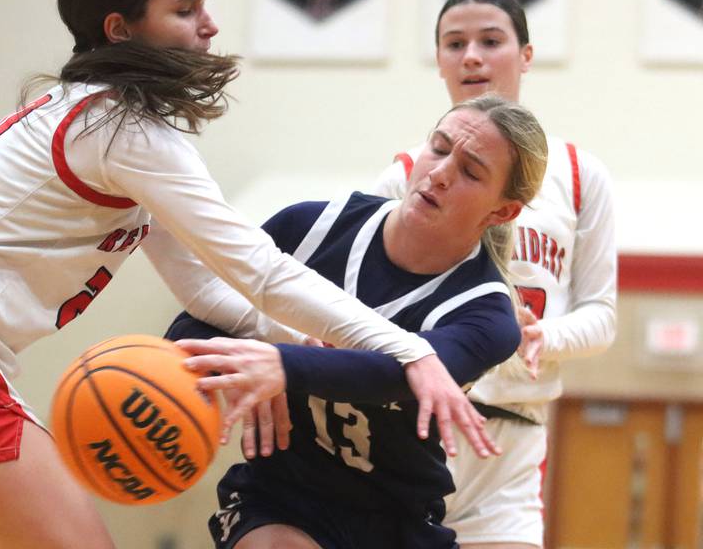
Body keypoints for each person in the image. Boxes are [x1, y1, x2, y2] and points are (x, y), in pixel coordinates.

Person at [0, 0, 490, 547]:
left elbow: (202, 286)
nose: (210, 25)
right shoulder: (121, 129)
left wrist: (286, 339)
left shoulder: (95, 116)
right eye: (185, 10)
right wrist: (408, 350)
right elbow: (257, 268)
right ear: (120, 29)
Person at [167, 94, 549, 549]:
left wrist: (281, 364)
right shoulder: (310, 227)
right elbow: (194, 322)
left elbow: (403, 375)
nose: (441, 173)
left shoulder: (485, 313)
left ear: (501, 211)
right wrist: (240, 363)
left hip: (394, 518)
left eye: (470, 171)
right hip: (280, 497)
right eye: (440, 148)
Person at [371, 0, 617, 549]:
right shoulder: (404, 173)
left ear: (526, 55)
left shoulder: (580, 174)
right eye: (454, 43)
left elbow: (601, 316)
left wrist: (539, 336)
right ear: (439, 61)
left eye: (491, 40)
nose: (472, 56)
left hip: (513, 436)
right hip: (409, 424)